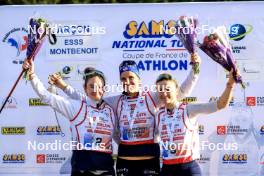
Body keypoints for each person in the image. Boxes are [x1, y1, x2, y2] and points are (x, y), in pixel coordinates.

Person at [51, 53, 201, 175]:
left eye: (131, 77)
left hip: (149, 160)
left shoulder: (152, 97)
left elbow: (180, 92)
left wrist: (195, 70)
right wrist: (64, 87)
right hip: (125, 161)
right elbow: (88, 99)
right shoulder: (116, 101)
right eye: (123, 78)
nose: (127, 81)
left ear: (139, 80)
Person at [23, 60, 116, 176]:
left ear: (104, 88)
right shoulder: (76, 107)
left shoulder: (110, 110)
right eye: (91, 86)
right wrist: (32, 75)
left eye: (99, 86)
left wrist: (63, 86)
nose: (96, 90)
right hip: (83, 168)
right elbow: (46, 96)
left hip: (107, 169)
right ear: (85, 88)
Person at [155, 69, 237, 176]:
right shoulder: (158, 115)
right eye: (160, 90)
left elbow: (220, 104)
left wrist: (230, 83)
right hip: (167, 169)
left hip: (188, 168)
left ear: (176, 90)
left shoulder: (189, 109)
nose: (164, 93)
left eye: (167, 89)